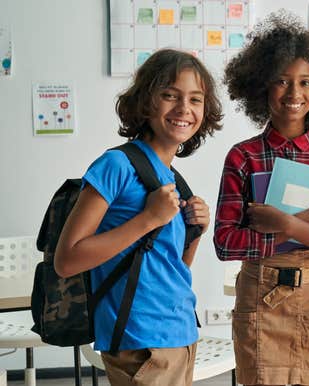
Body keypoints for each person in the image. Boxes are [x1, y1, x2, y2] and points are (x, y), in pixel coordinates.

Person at [54, 48, 223, 386]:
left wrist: (196, 233)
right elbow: (67, 260)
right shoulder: (115, 166)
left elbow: (166, 268)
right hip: (139, 340)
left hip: (179, 333)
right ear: (146, 101)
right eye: (169, 95)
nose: (183, 109)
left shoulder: (173, 178)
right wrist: (147, 219)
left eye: (195, 99)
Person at [213, 11, 309, 386]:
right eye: (282, 81)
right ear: (261, 86)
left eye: (305, 82)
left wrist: (287, 223)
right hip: (262, 298)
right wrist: (306, 222)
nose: (294, 94)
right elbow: (226, 243)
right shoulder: (242, 157)